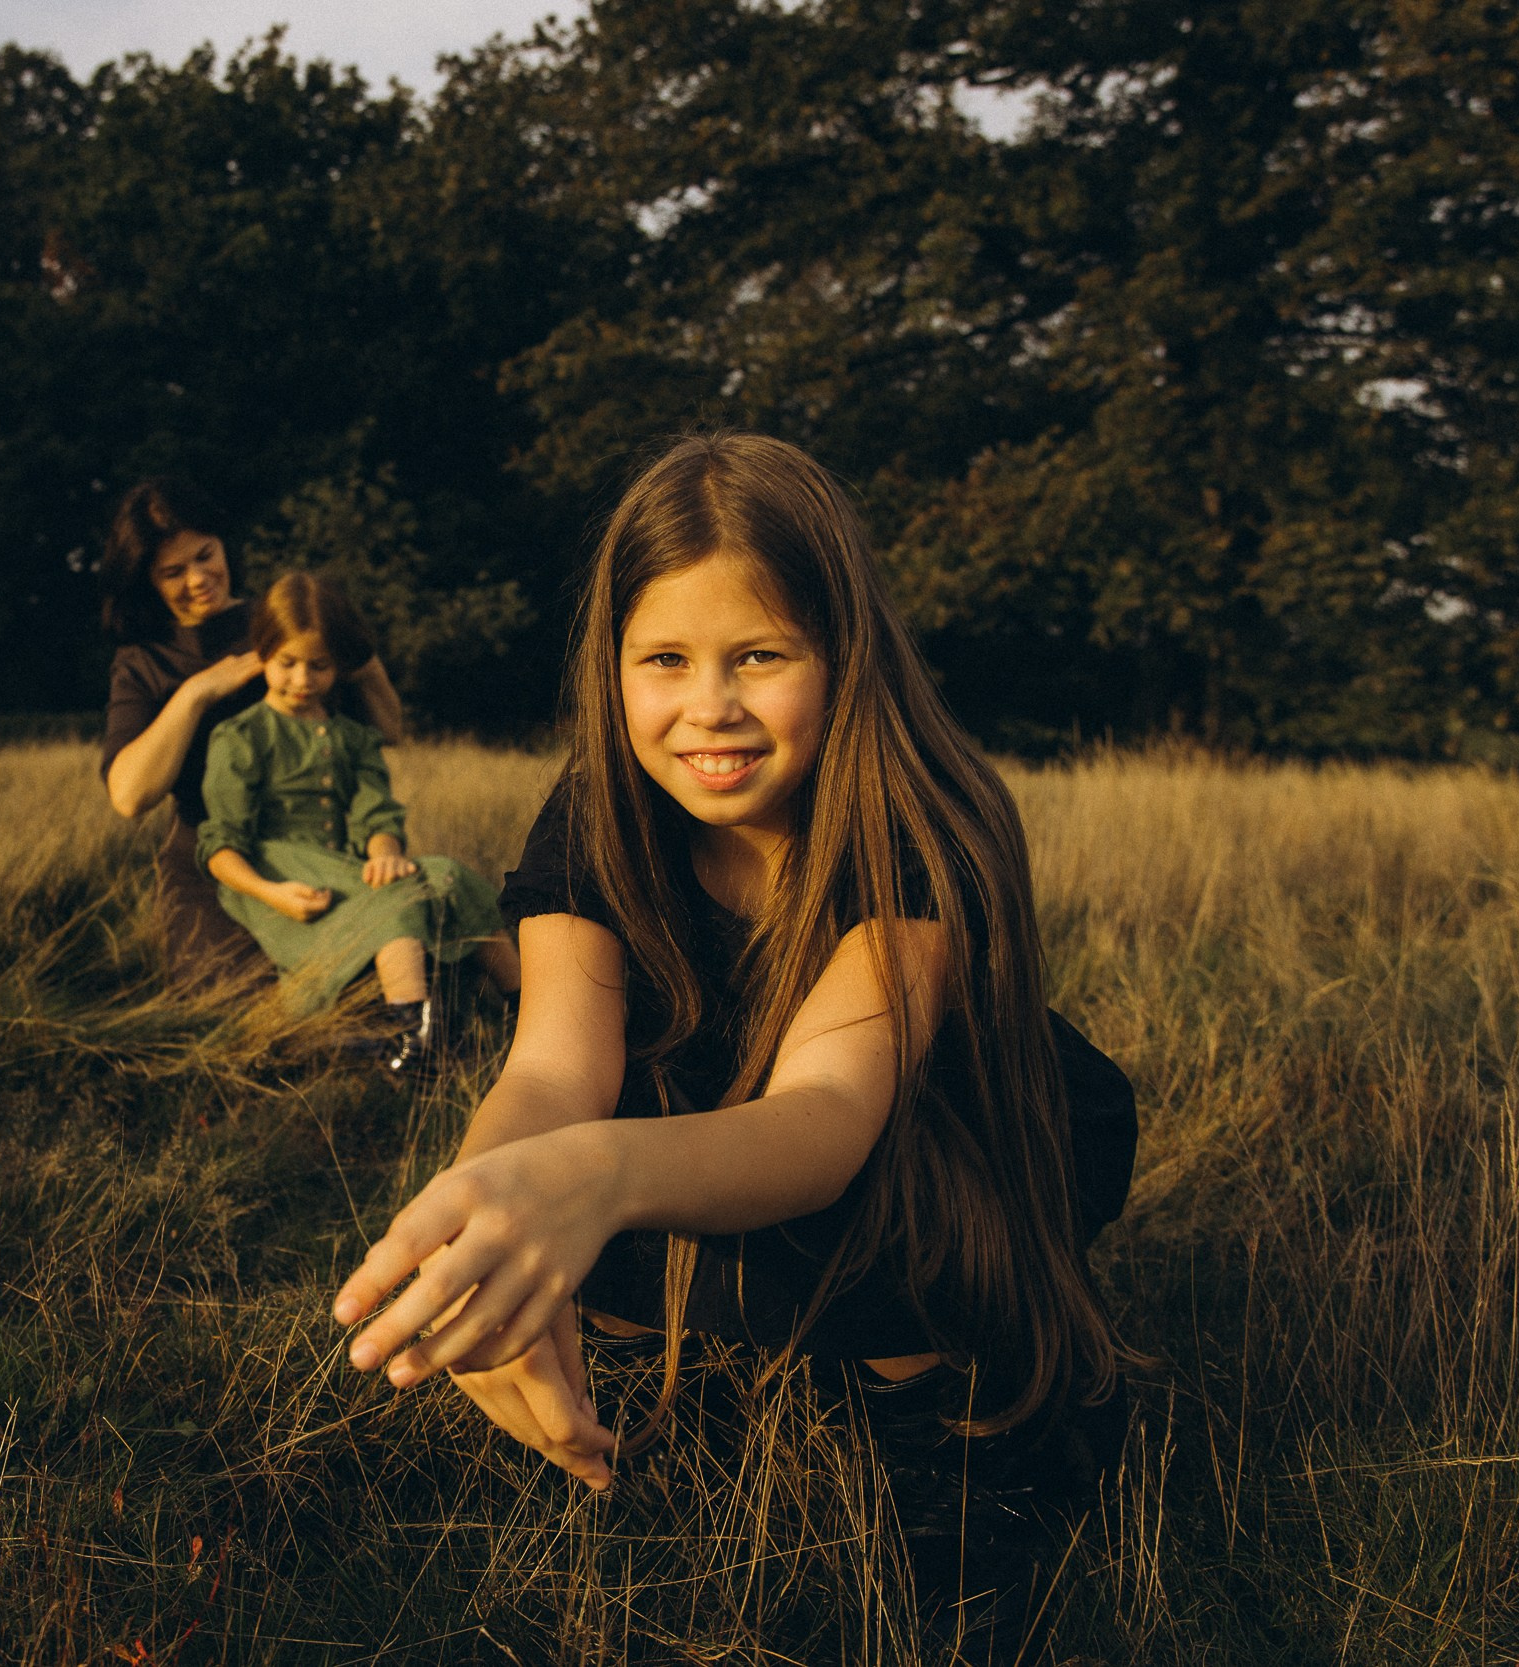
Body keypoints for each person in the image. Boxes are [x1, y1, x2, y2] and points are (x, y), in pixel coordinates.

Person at [327, 434, 1139, 1652]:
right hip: (721, 1107)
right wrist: (487, 1202)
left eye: (759, 655)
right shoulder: (598, 809)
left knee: (884, 1225)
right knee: (576, 1221)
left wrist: (591, 1175)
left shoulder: (917, 815)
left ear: (842, 655)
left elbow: (823, 1115)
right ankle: (672, 1395)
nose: (709, 706)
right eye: (665, 659)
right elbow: (553, 1068)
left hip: (942, 1131)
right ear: (613, 668)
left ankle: (965, 1440)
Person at [199, 573, 522, 1069]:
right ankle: (411, 1036)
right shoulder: (241, 736)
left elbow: (376, 807)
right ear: (263, 654)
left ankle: (528, 1008)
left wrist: (385, 850)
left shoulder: (352, 737)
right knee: (395, 901)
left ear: (340, 668)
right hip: (278, 874)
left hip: (346, 866)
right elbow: (221, 844)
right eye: (287, 664)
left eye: (319, 667)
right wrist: (270, 892)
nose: (303, 681)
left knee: (450, 876)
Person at [98, 479, 404, 986]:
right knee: (249, 1003)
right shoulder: (143, 661)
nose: (198, 579)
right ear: (147, 580)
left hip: (320, 839)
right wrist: (197, 692)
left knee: (364, 984)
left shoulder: (280, 621)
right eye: (173, 572)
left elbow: (387, 730)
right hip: (214, 856)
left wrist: (359, 653)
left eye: (205, 555)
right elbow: (130, 797)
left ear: (223, 545)